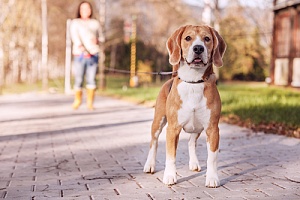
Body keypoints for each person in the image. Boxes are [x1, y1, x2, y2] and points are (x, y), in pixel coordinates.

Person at [70, 1, 101, 110]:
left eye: (88, 8)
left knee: (91, 79)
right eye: (83, 8)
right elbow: (75, 37)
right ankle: (77, 101)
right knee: (78, 79)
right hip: (80, 54)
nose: (85, 11)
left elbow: (101, 37)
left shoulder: (95, 23)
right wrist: (82, 47)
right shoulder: (75, 23)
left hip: (93, 54)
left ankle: (90, 103)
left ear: (91, 10)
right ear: (79, 10)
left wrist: (97, 40)